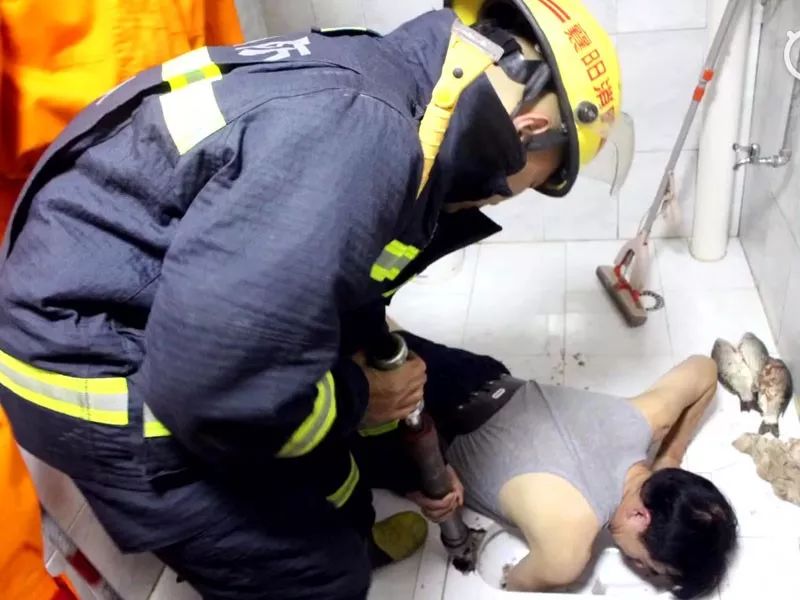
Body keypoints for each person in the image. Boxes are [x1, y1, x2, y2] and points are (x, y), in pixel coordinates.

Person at [0, 1, 631, 598]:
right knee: (320, 574)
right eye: (542, 180)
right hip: (92, 369)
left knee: (327, 440)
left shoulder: (399, 86)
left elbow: (331, 276)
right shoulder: (362, 138)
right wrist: (359, 397)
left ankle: (350, 524)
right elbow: (215, 395)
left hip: (154, 300)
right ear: (529, 130)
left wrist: (375, 405)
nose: (515, 193)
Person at [0, 1, 242, 598]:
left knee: (221, 357)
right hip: (51, 201)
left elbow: (216, 43)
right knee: (132, 407)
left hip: (175, 156)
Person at [384, 333, 737, 600]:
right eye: (650, 565)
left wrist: (669, 457)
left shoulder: (647, 418)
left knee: (375, 340)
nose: (640, 568)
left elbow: (704, 369)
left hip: (475, 375)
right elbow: (510, 581)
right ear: (639, 515)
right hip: (424, 437)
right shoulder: (567, 551)